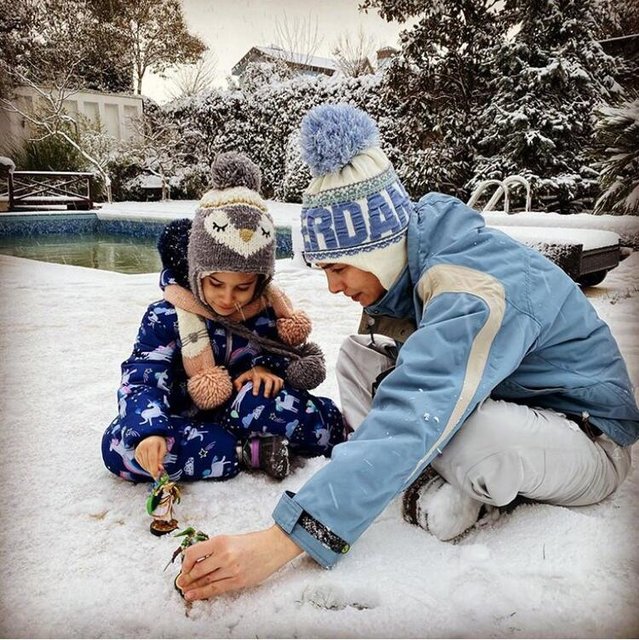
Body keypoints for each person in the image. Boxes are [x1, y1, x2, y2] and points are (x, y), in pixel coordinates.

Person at [175, 104, 639, 600]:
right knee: (359, 356)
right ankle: (444, 480)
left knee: (474, 431)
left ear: (374, 250)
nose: (333, 287)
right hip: (514, 402)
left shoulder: (469, 286)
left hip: (586, 441)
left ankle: (463, 482)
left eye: (338, 268)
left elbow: (416, 406)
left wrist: (279, 542)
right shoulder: (412, 263)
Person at [101, 151, 346, 491]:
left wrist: (266, 369)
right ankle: (246, 452)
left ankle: (337, 431)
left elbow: (287, 359)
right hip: (185, 420)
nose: (228, 299)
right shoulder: (164, 316)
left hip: (244, 409)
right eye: (215, 283)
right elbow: (143, 378)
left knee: (270, 404)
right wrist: (150, 433)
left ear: (260, 282)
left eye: (243, 288)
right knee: (118, 444)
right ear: (196, 272)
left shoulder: (266, 310)